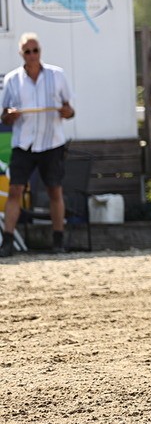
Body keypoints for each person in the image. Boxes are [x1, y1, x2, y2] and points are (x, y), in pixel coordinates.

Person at [0, 33, 76, 257]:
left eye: (35, 51)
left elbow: (70, 109)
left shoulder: (57, 75)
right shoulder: (13, 80)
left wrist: (66, 111)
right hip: (24, 143)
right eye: (27, 52)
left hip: (51, 142)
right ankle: (8, 241)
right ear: (21, 54)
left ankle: (58, 240)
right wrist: (10, 116)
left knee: (54, 190)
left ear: (40, 51)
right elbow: (4, 114)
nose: (32, 56)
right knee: (15, 190)